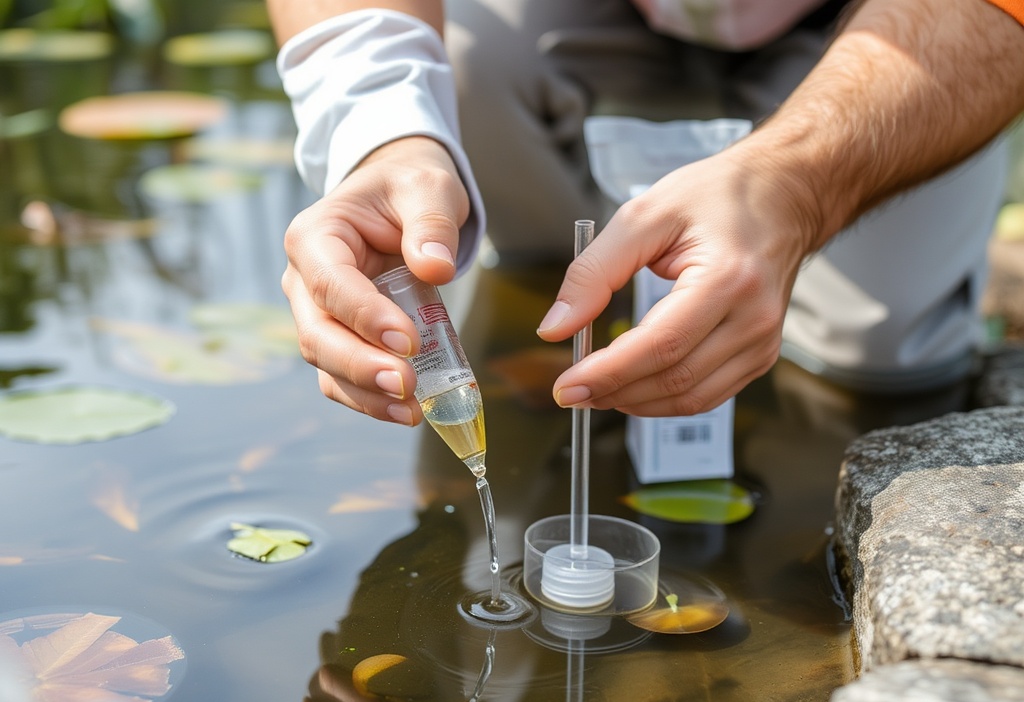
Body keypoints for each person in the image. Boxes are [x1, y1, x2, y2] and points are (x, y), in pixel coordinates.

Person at [266, 0, 1024, 428]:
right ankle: (572, 310)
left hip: (896, 24)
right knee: (470, 68)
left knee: (882, 352)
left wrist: (799, 187)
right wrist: (381, 135)